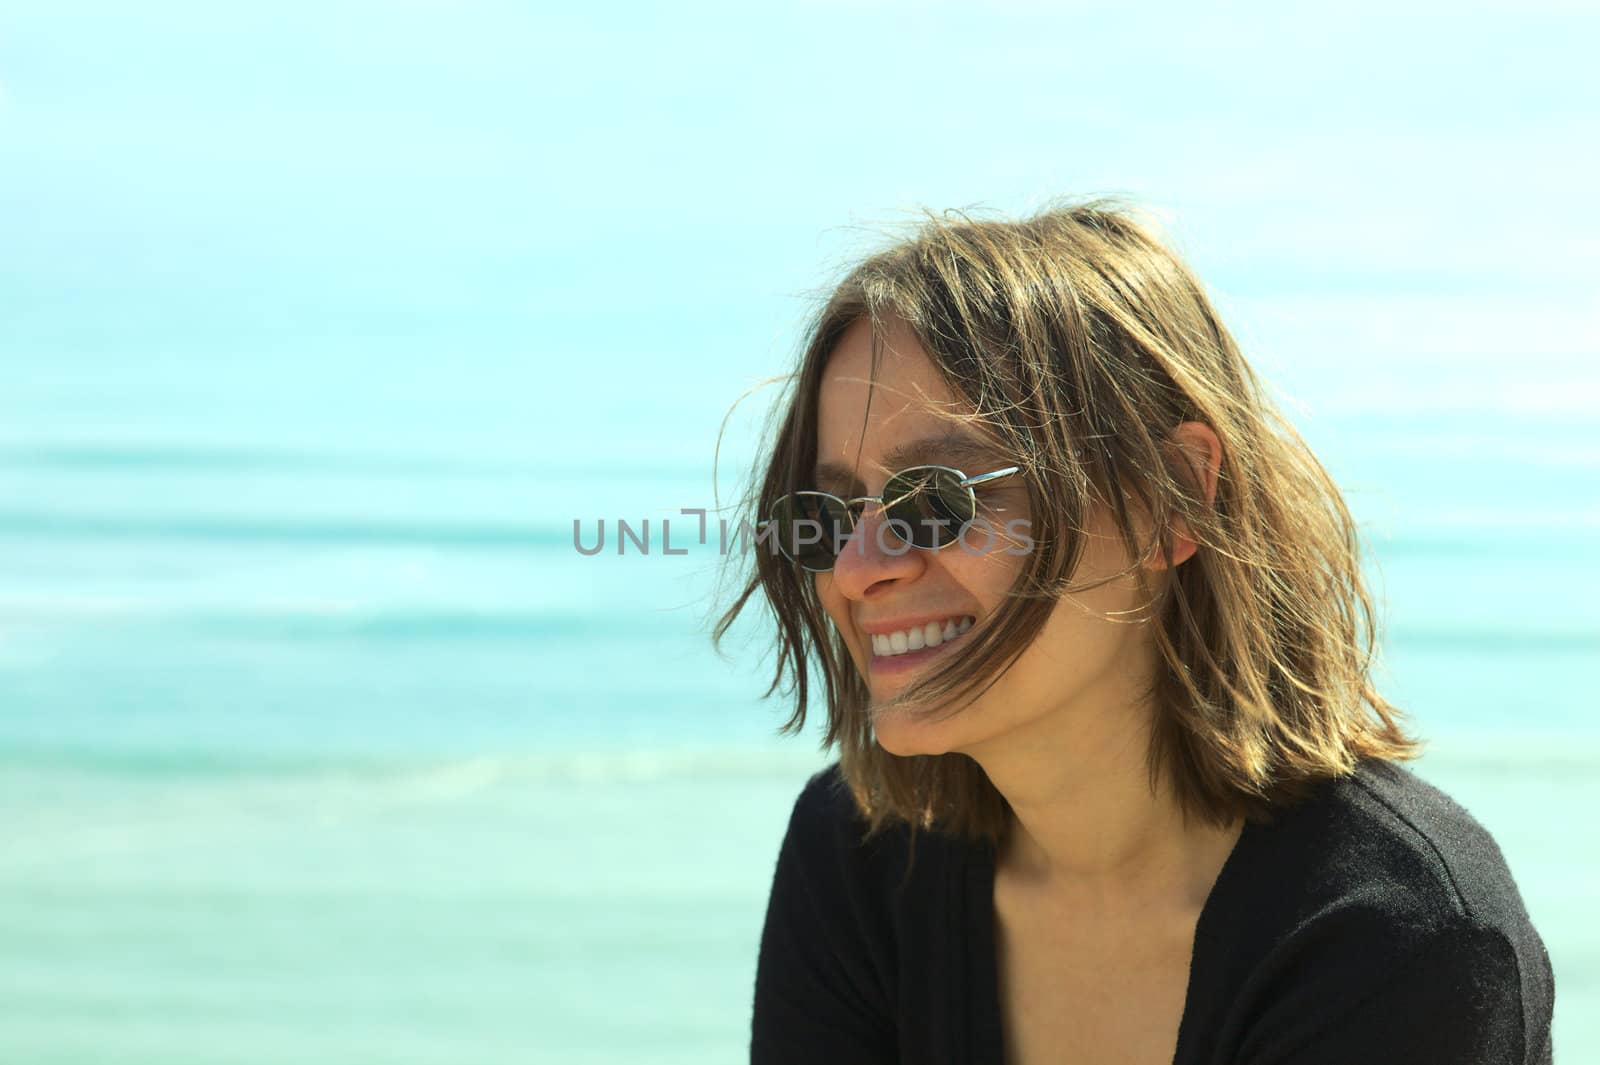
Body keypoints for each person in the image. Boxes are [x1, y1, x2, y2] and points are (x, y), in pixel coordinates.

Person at [714, 198, 1554, 1065]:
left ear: (1173, 497)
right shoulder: (860, 861)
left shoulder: (1393, 941)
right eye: (826, 513)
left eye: (937, 499)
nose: (855, 568)